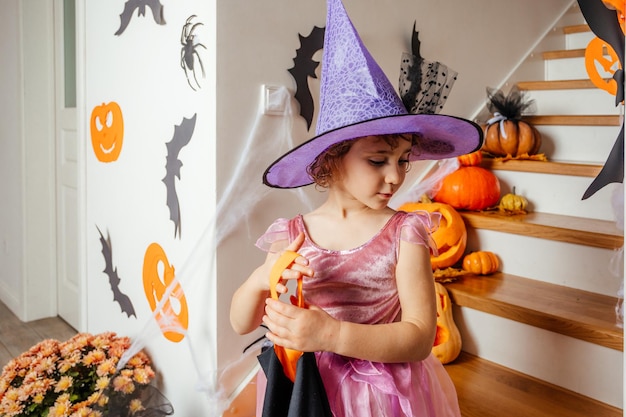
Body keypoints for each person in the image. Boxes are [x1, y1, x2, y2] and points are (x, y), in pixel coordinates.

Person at [230, 0, 483, 415]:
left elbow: (420, 337)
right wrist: (262, 277)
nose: (396, 177)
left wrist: (332, 335)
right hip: (307, 390)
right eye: (377, 160)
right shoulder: (292, 234)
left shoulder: (406, 232)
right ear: (332, 159)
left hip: (381, 395)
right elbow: (242, 323)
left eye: (402, 160)